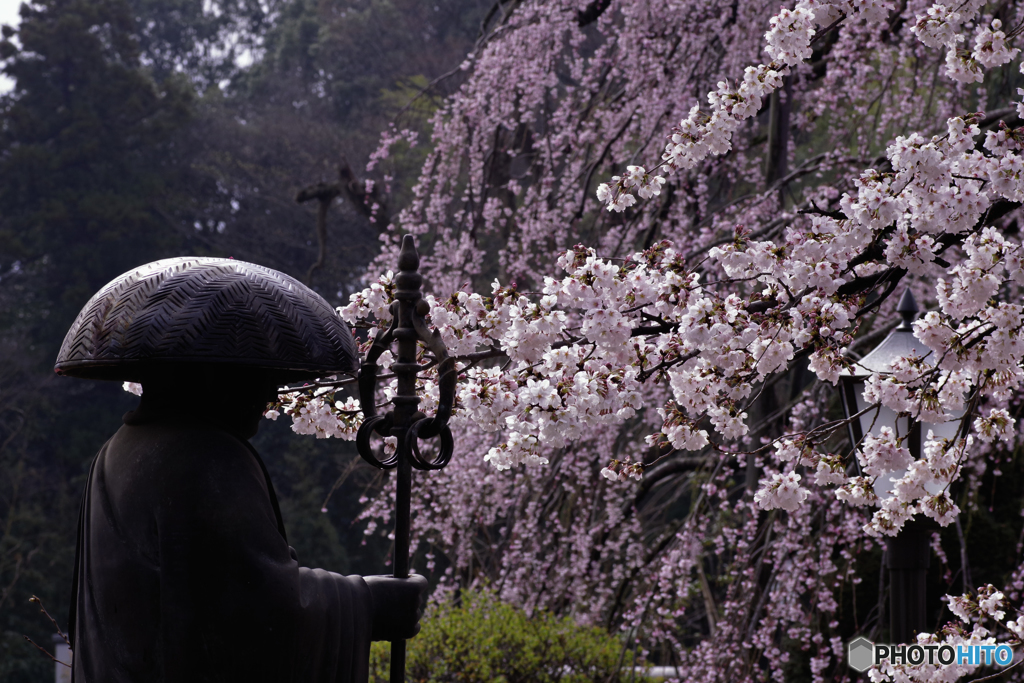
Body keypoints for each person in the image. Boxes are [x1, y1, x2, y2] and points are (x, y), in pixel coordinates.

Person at [55, 258, 426, 683]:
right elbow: (253, 614)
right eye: (257, 374)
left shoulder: (120, 449)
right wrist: (371, 605)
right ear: (211, 375)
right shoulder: (201, 458)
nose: (271, 393)